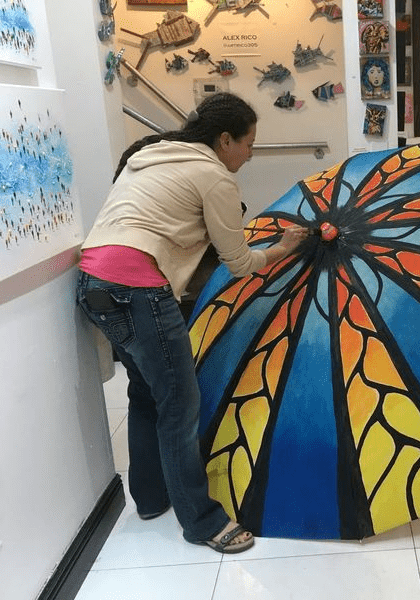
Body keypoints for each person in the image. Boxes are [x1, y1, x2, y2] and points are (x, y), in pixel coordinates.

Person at [76, 92, 307, 554]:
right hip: (139, 287)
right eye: (248, 143)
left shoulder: (150, 156)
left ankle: (150, 497)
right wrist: (283, 247)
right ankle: (202, 522)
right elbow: (239, 262)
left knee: (145, 392)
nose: (249, 154)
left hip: (92, 282)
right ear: (225, 140)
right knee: (180, 405)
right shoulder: (214, 177)